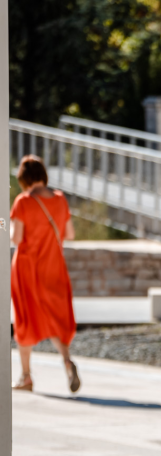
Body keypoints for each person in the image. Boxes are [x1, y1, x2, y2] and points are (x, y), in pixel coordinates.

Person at [9, 155, 79, 393]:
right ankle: (68, 362)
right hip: (54, 264)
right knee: (56, 315)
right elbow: (69, 233)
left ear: (24, 178)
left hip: (28, 267)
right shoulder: (60, 199)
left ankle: (26, 377)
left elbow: (16, 238)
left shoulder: (23, 201)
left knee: (26, 318)